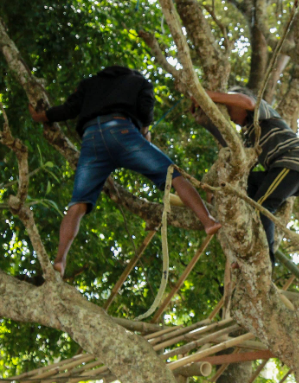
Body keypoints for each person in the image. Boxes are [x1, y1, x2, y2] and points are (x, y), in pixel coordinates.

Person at [28, 66, 221, 275]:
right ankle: (208, 221)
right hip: (122, 131)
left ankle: (59, 261)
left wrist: (41, 117)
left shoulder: (89, 83)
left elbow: (68, 109)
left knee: (78, 203)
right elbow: (146, 110)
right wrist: (145, 133)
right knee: (172, 176)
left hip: (91, 138)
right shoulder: (140, 82)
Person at [195, 86, 299, 265]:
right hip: (287, 168)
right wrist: (206, 122)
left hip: (294, 162)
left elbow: (247, 102)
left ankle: (265, 260)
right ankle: (249, 253)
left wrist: (204, 94)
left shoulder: (263, 111)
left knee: (262, 207)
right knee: (246, 189)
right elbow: (235, 153)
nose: (229, 115)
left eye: (230, 108)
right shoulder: (249, 136)